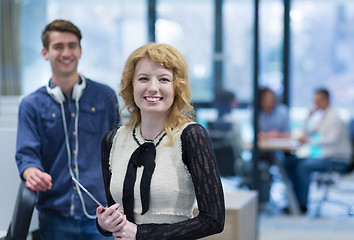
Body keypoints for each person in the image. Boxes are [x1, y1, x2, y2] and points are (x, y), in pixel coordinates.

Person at [96, 42, 225, 239]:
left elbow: (213, 219)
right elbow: (115, 211)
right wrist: (104, 223)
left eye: (164, 79)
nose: (153, 88)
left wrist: (142, 234)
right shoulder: (112, 141)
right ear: (131, 85)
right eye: (143, 78)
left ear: (177, 87)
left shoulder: (191, 136)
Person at [15, 19, 120, 239]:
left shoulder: (105, 97)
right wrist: (31, 173)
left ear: (80, 50)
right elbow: (26, 156)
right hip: (55, 215)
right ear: (45, 53)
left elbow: (120, 151)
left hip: (101, 216)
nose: (66, 53)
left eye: (72, 45)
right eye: (58, 46)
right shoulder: (31, 104)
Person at [286, 88, 353, 213]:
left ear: (326, 100)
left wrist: (308, 142)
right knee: (291, 162)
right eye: (314, 101)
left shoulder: (334, 118)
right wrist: (308, 117)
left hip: (337, 159)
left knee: (304, 166)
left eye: (317, 101)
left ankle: (302, 205)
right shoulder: (323, 117)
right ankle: (293, 201)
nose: (315, 104)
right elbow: (307, 134)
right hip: (326, 157)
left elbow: (331, 140)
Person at [207, 90, 242, 176]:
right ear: (229, 103)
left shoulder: (211, 124)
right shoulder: (234, 123)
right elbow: (239, 148)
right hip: (233, 165)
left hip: (214, 166)